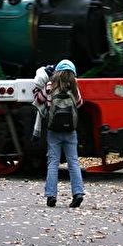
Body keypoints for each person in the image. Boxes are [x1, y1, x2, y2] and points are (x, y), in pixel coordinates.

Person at [32, 59, 85, 208]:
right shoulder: (74, 87)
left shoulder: (50, 86)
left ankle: (51, 196)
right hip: (70, 131)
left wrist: (38, 92)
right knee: (73, 162)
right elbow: (80, 103)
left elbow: (39, 100)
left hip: (54, 131)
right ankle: (78, 193)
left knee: (53, 162)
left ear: (57, 72)